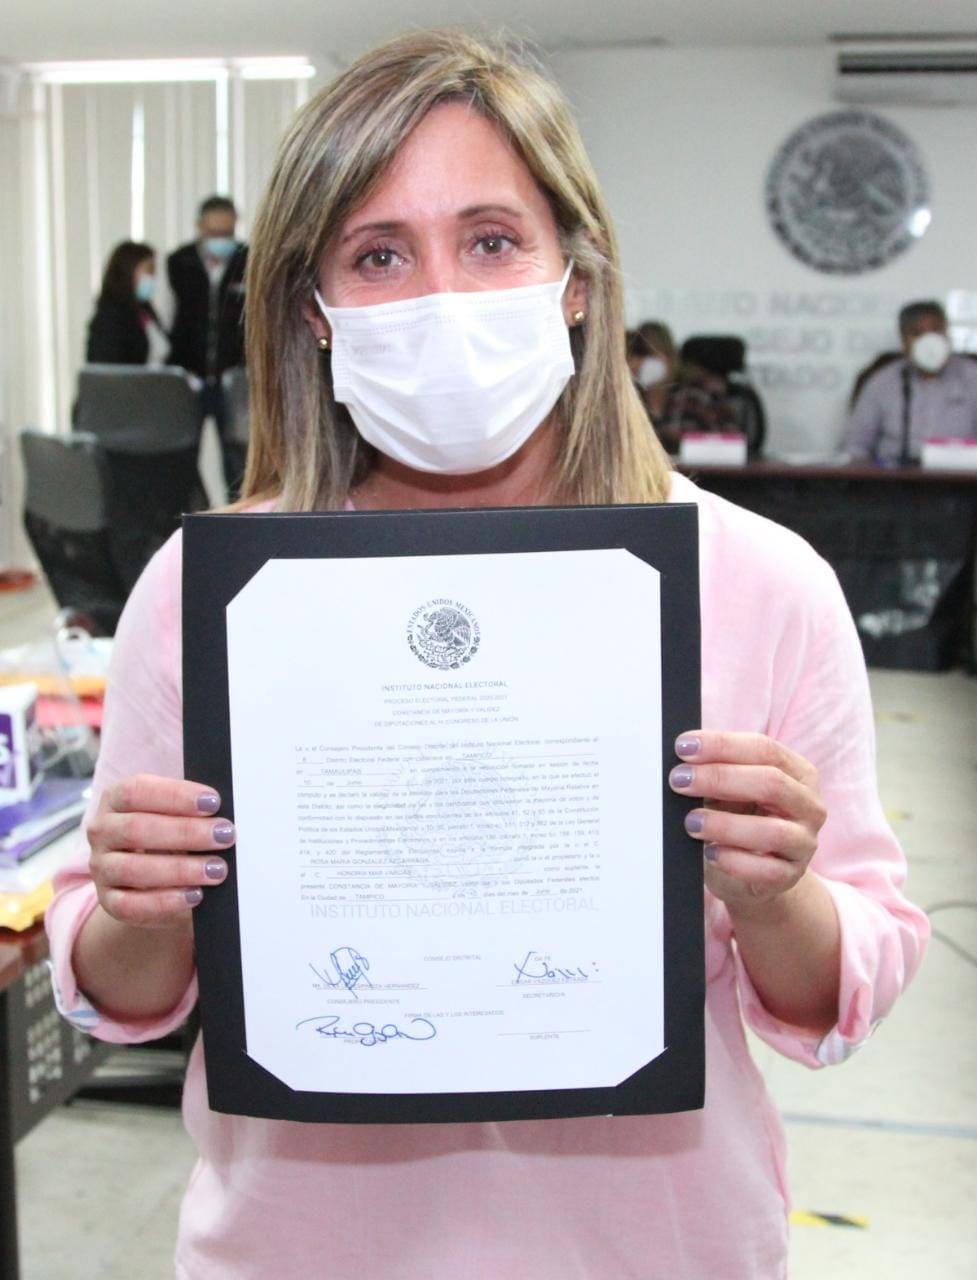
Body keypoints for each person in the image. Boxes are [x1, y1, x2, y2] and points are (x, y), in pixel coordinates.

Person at [46, 30, 928, 1279]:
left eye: (492, 240)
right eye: (378, 254)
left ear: (574, 276)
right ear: (313, 309)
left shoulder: (759, 582)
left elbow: (844, 987)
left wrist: (774, 892)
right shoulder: (212, 596)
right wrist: (140, 902)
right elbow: (126, 989)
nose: (443, 298)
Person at [166, 195, 248, 491]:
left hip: (234, 379)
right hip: (189, 378)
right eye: (214, 233)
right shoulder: (179, 263)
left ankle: (236, 515)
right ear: (200, 227)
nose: (220, 240)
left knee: (237, 462)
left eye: (227, 233)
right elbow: (169, 320)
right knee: (182, 461)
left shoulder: (248, 260)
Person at [843, 299, 977, 461]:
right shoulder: (882, 382)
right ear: (904, 341)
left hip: (960, 473)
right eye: (918, 334)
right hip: (896, 473)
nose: (930, 342)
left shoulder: (972, 376)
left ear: (947, 335)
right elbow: (855, 447)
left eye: (936, 331)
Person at [85, 241, 168, 366]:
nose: (153, 278)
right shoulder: (110, 317)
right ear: (129, 270)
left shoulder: (145, 310)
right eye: (149, 271)